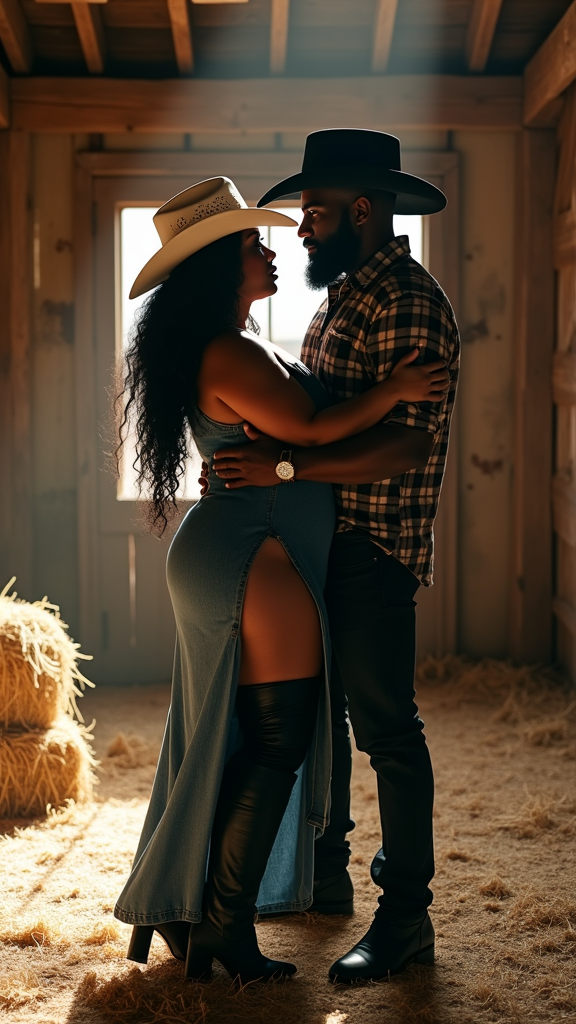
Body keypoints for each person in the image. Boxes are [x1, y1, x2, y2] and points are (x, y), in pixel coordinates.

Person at [112, 175, 449, 985]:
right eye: (253, 243)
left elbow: (284, 430)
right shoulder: (228, 348)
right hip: (254, 549)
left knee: (252, 736)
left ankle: (210, 921)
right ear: (220, 265)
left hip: (247, 545)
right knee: (277, 739)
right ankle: (221, 926)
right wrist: (397, 391)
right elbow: (312, 426)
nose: (273, 248)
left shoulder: (237, 338)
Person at [209, 129, 461, 982]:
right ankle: (327, 873)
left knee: (389, 729)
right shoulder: (346, 296)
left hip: (371, 547)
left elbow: (402, 447)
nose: (301, 229)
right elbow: (307, 406)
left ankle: (407, 920)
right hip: (320, 541)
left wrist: (289, 465)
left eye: (314, 212)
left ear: (363, 210)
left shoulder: (410, 304)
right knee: (327, 723)